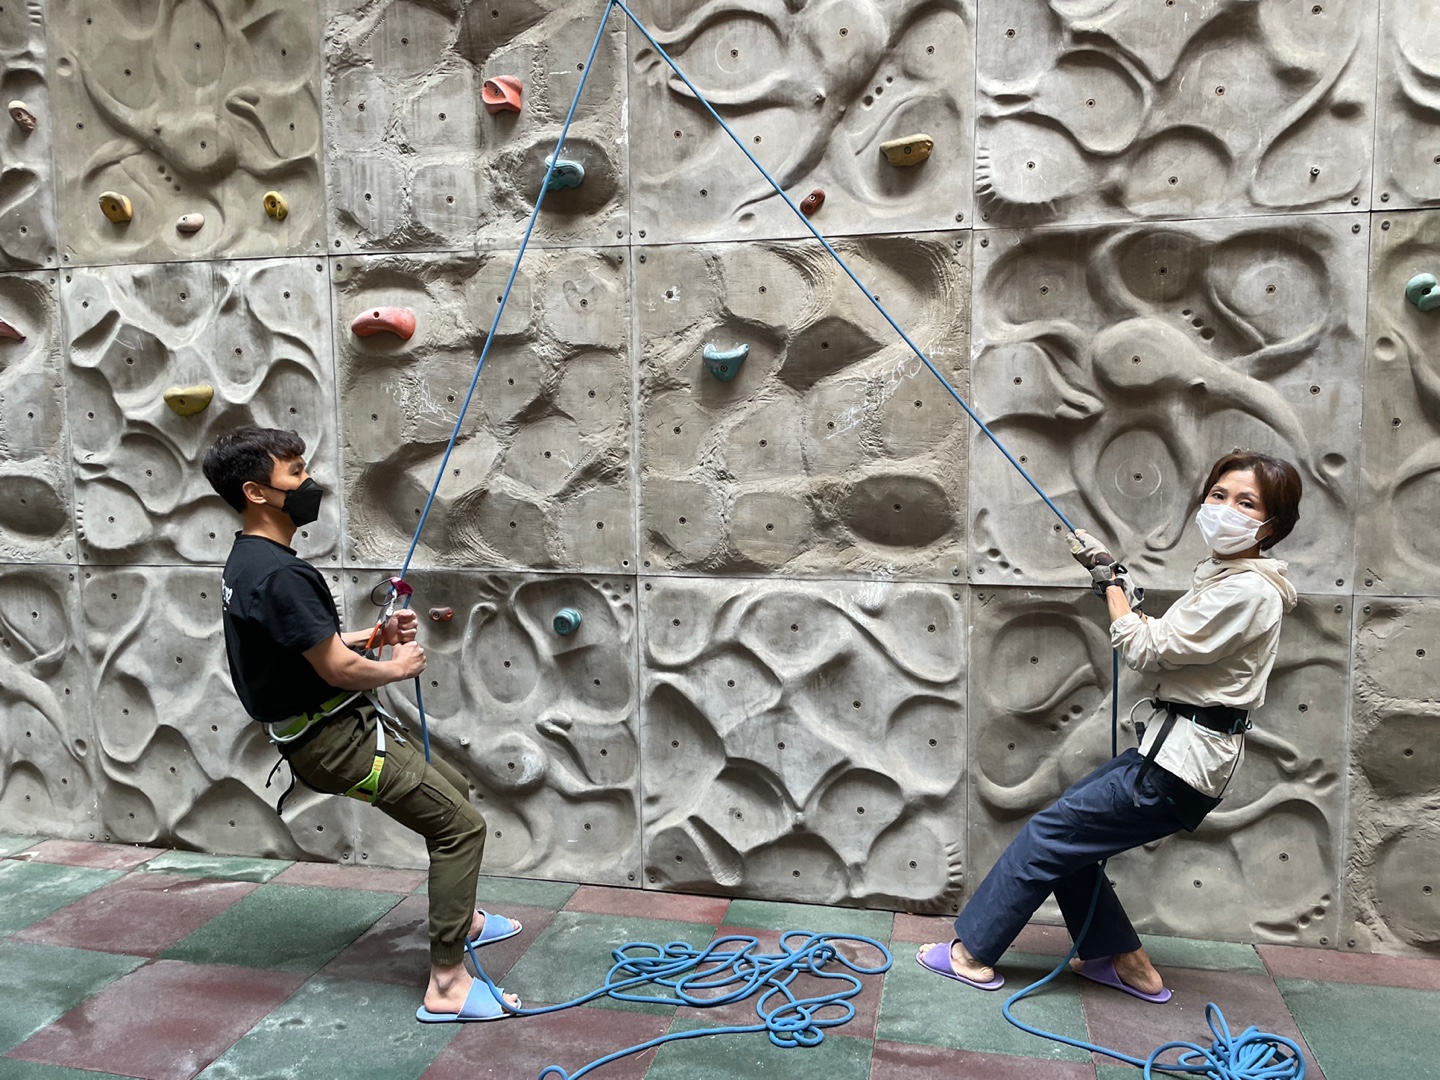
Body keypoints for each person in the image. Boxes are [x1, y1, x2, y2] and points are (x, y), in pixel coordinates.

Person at [921, 451, 1302, 1001]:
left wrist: (1110, 584)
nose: (1225, 508)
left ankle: (972, 954)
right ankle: (1124, 962)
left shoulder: (1246, 591)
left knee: (1050, 835)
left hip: (1179, 765)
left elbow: (1147, 650)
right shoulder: (1230, 580)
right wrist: (1114, 579)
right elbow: (1172, 642)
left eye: (1247, 503)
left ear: (1272, 525)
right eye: (1219, 495)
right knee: (1070, 842)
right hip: (1174, 754)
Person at [203, 426, 522, 1023]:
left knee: (451, 791)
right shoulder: (279, 574)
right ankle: (447, 984)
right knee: (461, 828)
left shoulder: (251, 561)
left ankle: (464, 920)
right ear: (256, 492)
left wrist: (373, 635)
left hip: (324, 727)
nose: (309, 482)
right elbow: (337, 669)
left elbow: (306, 646)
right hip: (334, 740)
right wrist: (397, 666)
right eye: (294, 473)